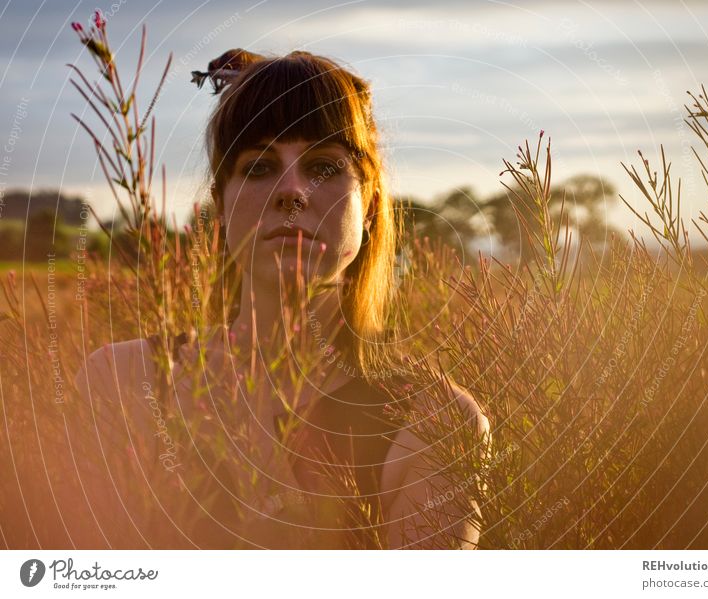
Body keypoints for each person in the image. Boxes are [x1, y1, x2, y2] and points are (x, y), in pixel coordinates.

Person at [73, 48, 490, 549]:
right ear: (220, 208)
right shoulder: (121, 382)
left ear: (371, 205)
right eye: (259, 167)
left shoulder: (438, 423)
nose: (292, 191)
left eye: (322, 166)